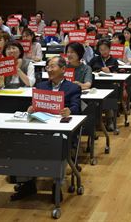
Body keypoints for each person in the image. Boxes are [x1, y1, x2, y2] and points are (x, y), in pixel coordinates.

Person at [14, 56, 82, 200]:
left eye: (52, 67)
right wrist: (31, 109)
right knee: (24, 140)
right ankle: (26, 183)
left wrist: (69, 110)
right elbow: (35, 106)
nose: (49, 70)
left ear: (63, 69)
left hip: (61, 128)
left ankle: (57, 184)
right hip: (41, 125)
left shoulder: (73, 88)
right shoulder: (40, 86)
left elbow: (76, 107)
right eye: (48, 67)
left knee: (59, 142)